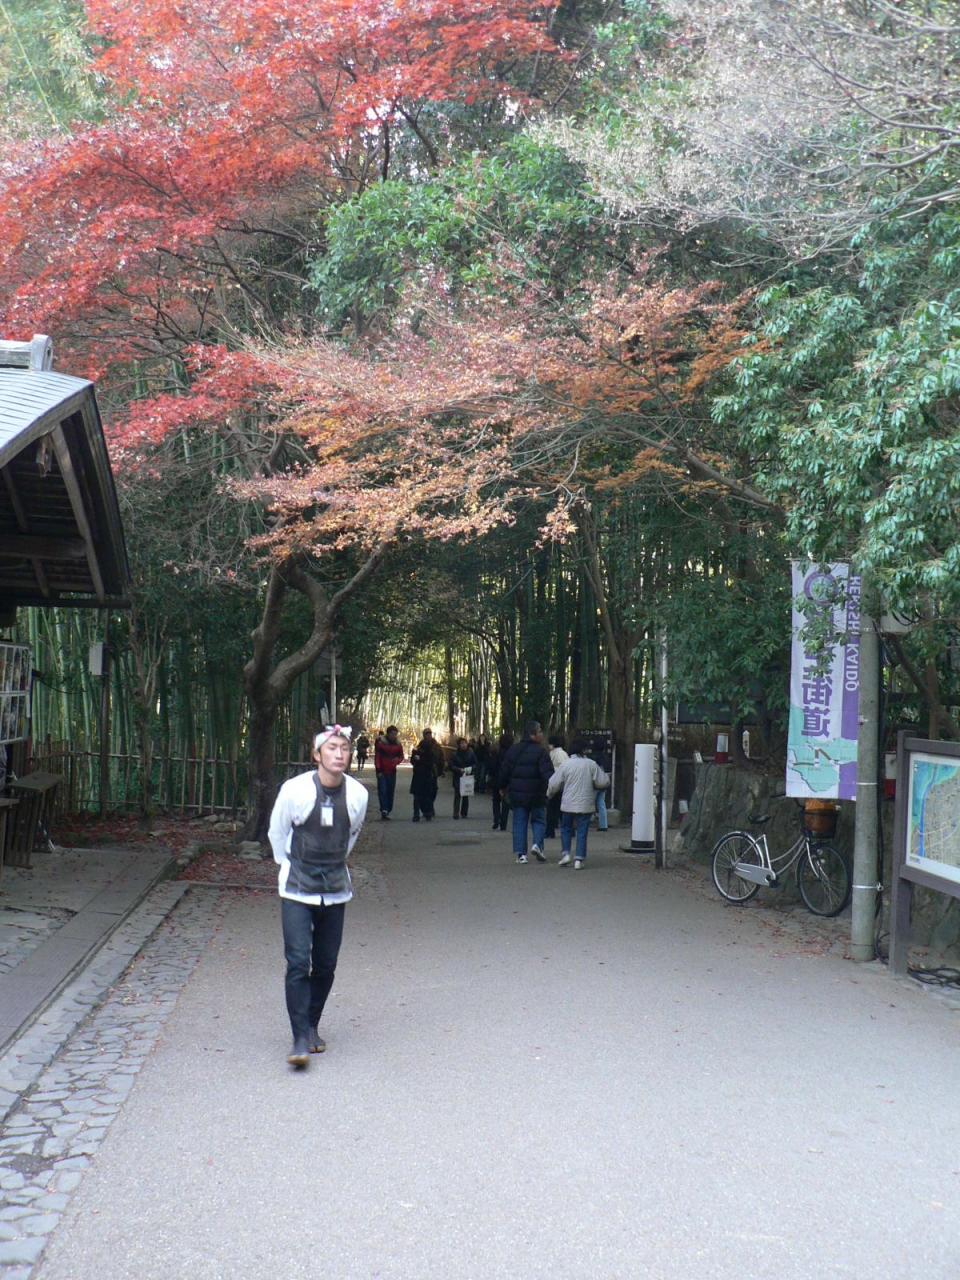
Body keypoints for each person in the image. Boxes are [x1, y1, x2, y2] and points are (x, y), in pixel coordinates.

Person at [268, 726, 369, 1068]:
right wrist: (287, 865)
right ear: (316, 755)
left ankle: (312, 1023)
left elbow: (351, 835)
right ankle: (299, 1036)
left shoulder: (357, 794)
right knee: (298, 961)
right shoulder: (295, 790)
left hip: (335, 888)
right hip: (297, 886)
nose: (339, 754)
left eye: (344, 748)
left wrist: (333, 863)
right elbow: (277, 831)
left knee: (326, 964)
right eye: (331, 748)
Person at [547, 736, 610, 869]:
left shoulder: (566, 764)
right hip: (585, 804)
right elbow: (603, 781)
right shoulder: (591, 764)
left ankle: (566, 854)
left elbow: (554, 783)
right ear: (584, 750)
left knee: (566, 828)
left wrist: (549, 794)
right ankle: (579, 859)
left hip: (568, 803)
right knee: (582, 831)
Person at [499, 720, 552, 864]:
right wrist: (551, 789)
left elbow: (504, 771)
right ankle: (537, 845)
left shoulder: (513, 750)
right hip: (537, 793)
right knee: (539, 820)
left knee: (519, 822)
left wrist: (502, 787)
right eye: (540, 731)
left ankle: (521, 854)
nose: (542, 734)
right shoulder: (541, 752)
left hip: (518, 794)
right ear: (532, 734)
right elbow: (547, 774)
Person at [410, 728, 445, 821]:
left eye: (429, 734)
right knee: (418, 795)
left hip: (431, 773)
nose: (428, 736)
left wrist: (441, 770)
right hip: (418, 774)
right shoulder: (418, 747)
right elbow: (413, 760)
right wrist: (415, 759)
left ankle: (428, 810)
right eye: (426, 734)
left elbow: (439, 759)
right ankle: (418, 813)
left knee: (432, 792)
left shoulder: (436, 746)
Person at [374, 725, 404, 820]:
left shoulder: (398, 744)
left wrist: (397, 760)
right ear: (388, 734)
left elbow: (401, 756)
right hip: (382, 770)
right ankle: (384, 809)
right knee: (382, 790)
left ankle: (388, 808)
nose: (394, 736)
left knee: (390, 791)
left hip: (392, 771)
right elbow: (377, 757)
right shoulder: (381, 743)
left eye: (395, 734)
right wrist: (378, 769)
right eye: (392, 734)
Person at [545, 733, 569, 840]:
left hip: (555, 784)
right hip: (563, 785)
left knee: (552, 809)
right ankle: (569, 830)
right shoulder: (563, 753)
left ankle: (550, 831)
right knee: (562, 810)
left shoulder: (555, 754)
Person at [489, 731, 513, 831]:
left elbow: (492, 767)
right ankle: (503, 823)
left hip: (496, 779)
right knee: (505, 802)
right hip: (508, 780)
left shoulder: (496, 752)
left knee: (496, 800)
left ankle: (496, 819)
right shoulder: (512, 753)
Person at [450, 736, 477, 819]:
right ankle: (456, 813)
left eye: (465, 743)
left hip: (467, 776)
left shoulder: (471, 753)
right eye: (461, 743)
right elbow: (451, 766)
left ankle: (464, 813)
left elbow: (475, 764)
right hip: (458, 776)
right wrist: (458, 769)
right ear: (459, 745)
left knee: (465, 794)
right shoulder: (455, 754)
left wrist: (470, 768)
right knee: (457, 794)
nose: (463, 745)